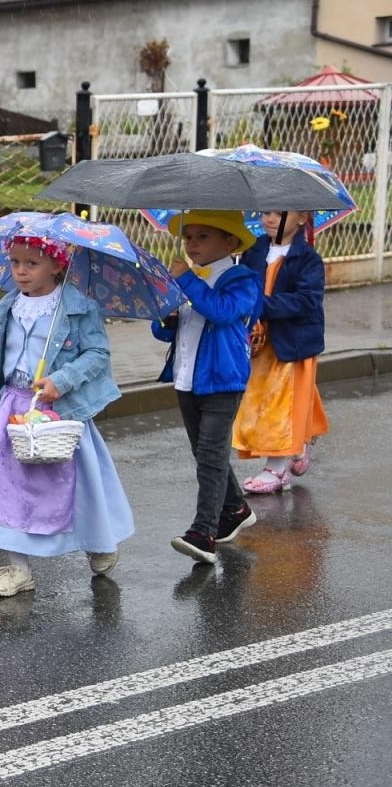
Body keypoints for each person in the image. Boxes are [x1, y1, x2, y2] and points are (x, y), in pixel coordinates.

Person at [0, 237, 134, 597]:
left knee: (76, 483)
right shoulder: (10, 306)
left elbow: (97, 352)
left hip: (58, 409)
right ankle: (18, 567)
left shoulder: (77, 307)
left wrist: (61, 381)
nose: (20, 271)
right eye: (15, 262)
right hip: (12, 407)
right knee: (9, 487)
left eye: (31, 264)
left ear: (57, 266)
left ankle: (99, 540)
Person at [150, 210, 263, 566]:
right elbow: (166, 329)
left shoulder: (240, 279)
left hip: (222, 379)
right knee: (204, 454)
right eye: (189, 237)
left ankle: (203, 532)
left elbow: (223, 311)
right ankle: (236, 508)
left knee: (212, 456)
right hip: (186, 377)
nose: (192, 244)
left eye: (203, 237)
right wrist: (166, 317)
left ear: (230, 242)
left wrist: (186, 282)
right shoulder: (186, 279)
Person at [232, 211, 328, 493]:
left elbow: (306, 301)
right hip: (261, 343)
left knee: (282, 403)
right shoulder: (255, 249)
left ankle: (275, 468)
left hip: (293, 342)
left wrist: (262, 305)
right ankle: (299, 444)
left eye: (279, 212)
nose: (269, 218)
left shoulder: (308, 258)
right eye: (266, 212)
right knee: (262, 400)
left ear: (302, 218)